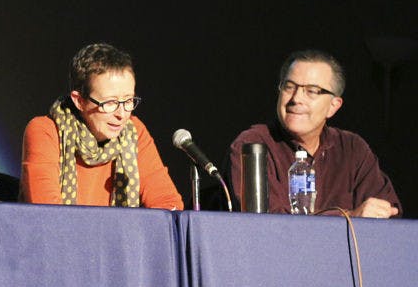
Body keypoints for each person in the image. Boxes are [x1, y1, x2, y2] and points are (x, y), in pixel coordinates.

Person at [226, 49, 400, 217]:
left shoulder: (352, 149)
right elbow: (269, 223)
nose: (296, 99)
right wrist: (350, 217)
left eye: (311, 91)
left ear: (333, 106)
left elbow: (389, 213)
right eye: (289, 87)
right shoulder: (252, 146)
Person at [20, 43, 183, 209]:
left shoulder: (134, 130)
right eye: (110, 102)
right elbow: (46, 212)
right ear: (80, 101)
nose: (122, 114)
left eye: (128, 100)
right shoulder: (45, 131)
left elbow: (168, 204)